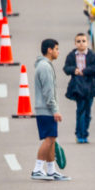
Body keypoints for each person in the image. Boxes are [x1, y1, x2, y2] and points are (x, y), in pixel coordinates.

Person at [31, 39, 67, 181]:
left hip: (45, 109)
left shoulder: (44, 65)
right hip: (46, 109)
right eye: (56, 49)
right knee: (49, 139)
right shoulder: (45, 67)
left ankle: (51, 170)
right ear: (49, 50)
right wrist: (55, 110)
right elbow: (48, 91)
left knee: (52, 139)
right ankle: (37, 168)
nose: (58, 52)